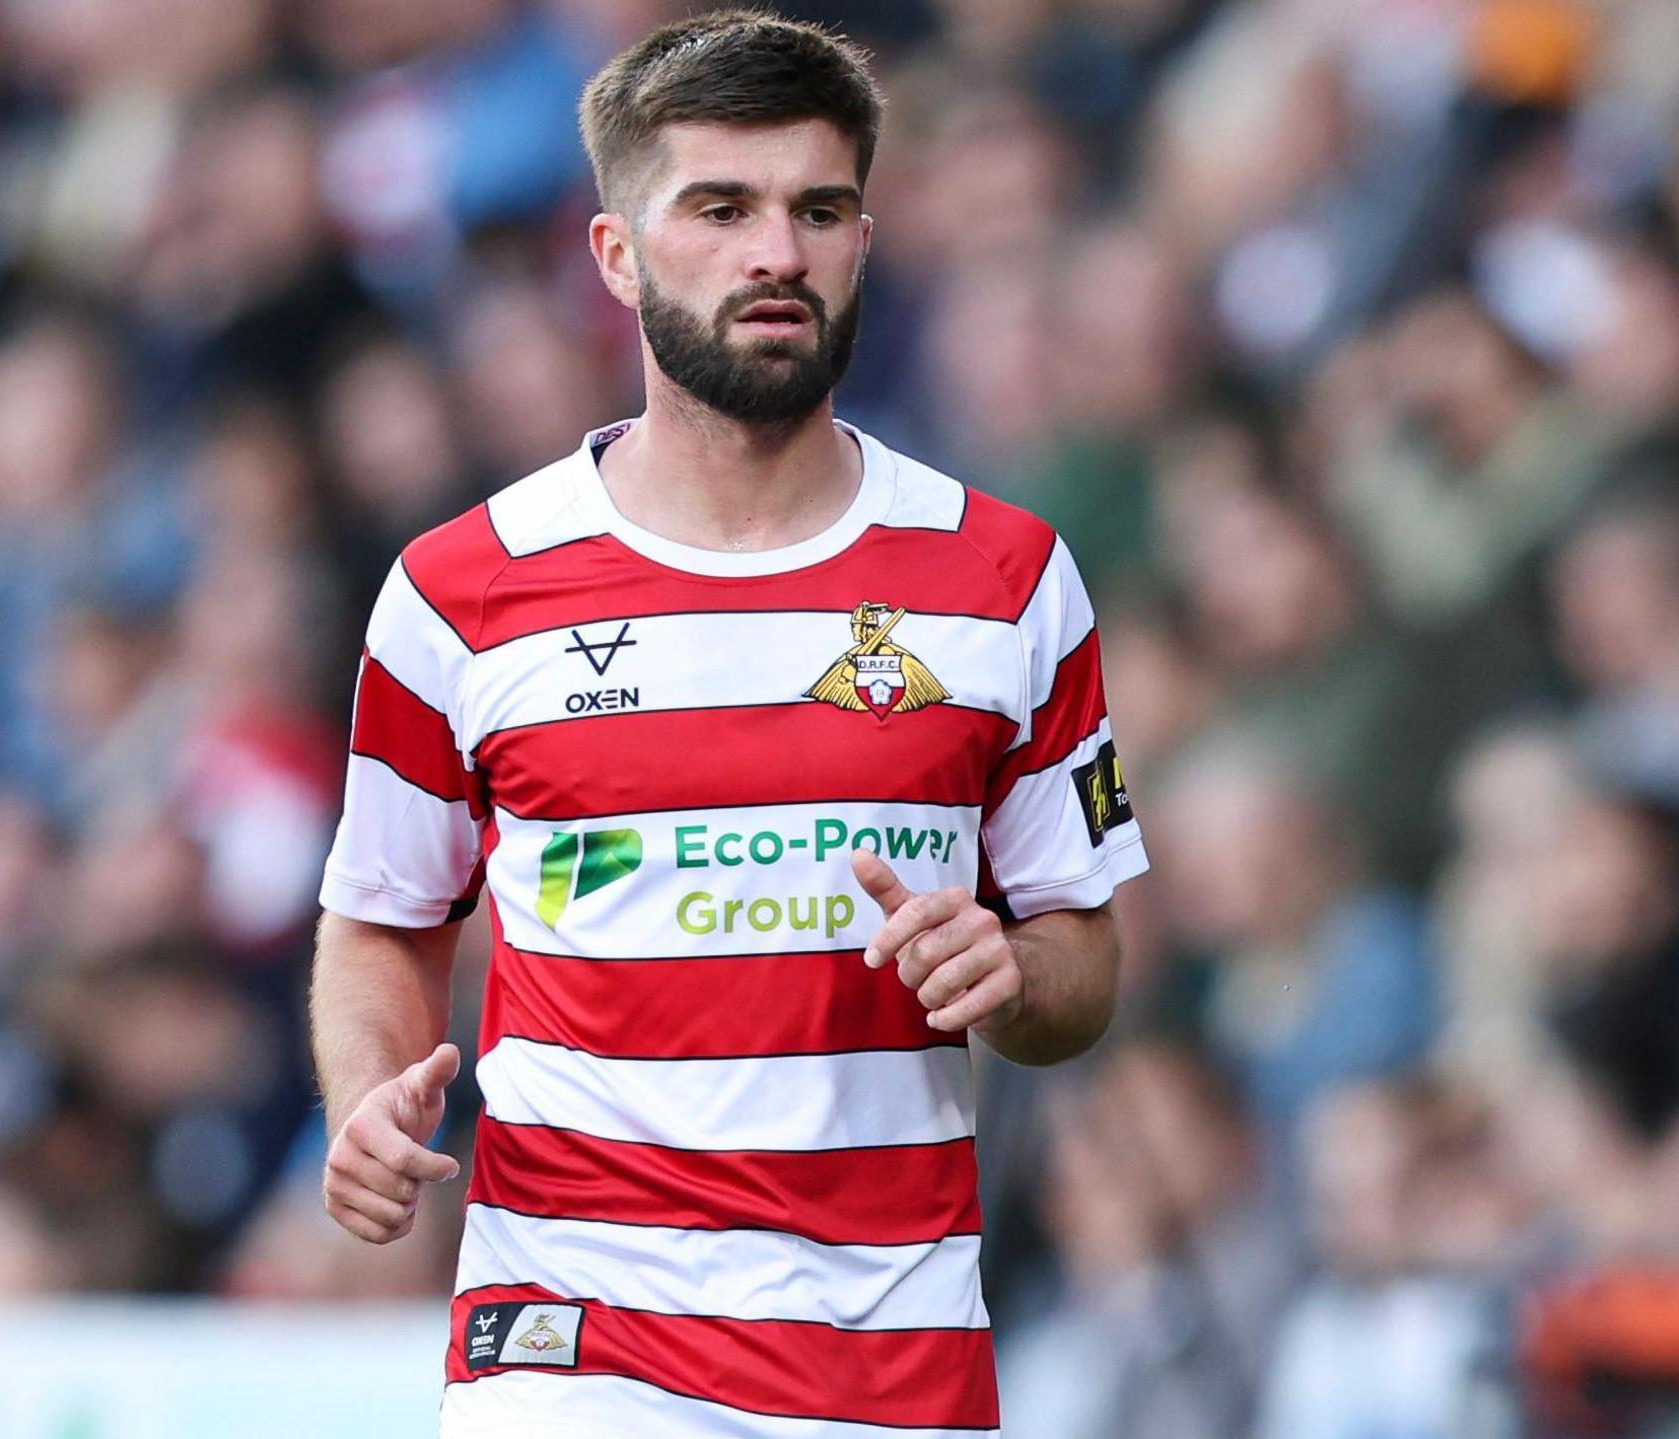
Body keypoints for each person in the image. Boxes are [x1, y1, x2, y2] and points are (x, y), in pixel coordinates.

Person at [308, 11, 1150, 1436]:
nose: (778, 253)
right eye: (722, 208)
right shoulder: (458, 595)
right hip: (571, 1349)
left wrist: (1008, 970)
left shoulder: (1007, 582)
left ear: (865, 241)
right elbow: (384, 916)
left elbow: (1085, 960)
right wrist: (371, 1104)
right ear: (618, 256)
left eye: (819, 210)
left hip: (890, 1359)